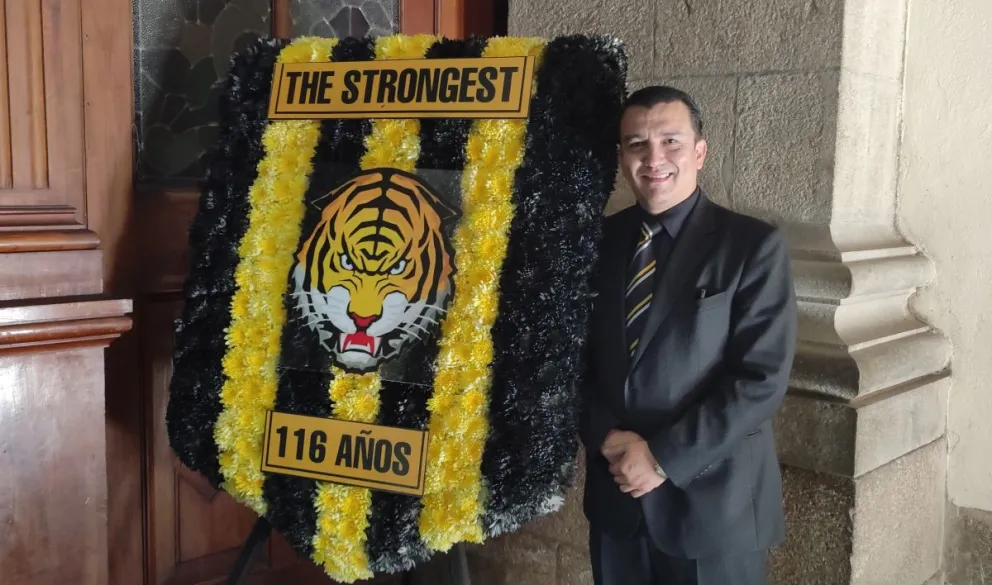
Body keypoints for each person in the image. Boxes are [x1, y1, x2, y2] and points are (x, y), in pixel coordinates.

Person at [579, 85, 798, 585]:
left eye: (671, 142)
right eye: (637, 144)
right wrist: (608, 436)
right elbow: (574, 362)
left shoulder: (751, 247)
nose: (654, 158)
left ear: (700, 151)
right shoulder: (598, 243)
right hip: (619, 505)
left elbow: (759, 380)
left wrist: (661, 457)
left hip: (713, 509)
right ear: (622, 157)